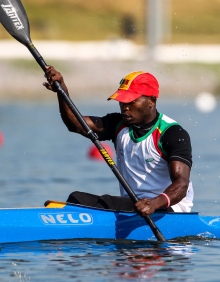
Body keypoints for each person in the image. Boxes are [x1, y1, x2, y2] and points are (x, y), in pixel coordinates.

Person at [43, 67, 194, 216]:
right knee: (78, 200)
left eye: (131, 101)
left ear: (151, 101)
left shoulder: (172, 133)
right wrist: (62, 91)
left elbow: (182, 184)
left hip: (169, 210)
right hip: (134, 207)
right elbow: (76, 124)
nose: (124, 107)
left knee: (78, 199)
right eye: (122, 101)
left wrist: (154, 203)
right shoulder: (118, 124)